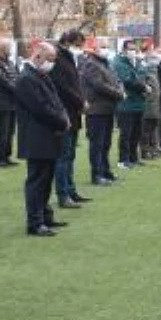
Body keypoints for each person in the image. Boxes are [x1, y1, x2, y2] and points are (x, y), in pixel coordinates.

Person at [15, 42, 70, 237]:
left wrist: (63, 117)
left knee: (46, 179)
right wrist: (61, 121)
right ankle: (35, 222)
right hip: (36, 137)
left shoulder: (40, 75)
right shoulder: (25, 79)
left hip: (49, 135)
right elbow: (40, 108)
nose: (51, 64)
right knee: (37, 180)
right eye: (50, 60)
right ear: (38, 56)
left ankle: (45, 216)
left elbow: (55, 101)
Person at [49, 30, 89, 209]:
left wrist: (81, 101)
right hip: (64, 112)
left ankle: (71, 190)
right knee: (63, 156)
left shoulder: (69, 58)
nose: (80, 48)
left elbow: (75, 83)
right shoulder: (58, 58)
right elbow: (63, 87)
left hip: (73, 111)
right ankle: (63, 194)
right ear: (69, 42)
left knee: (70, 154)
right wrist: (81, 101)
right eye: (78, 44)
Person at [80, 40, 121, 186]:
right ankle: (96, 175)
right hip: (96, 110)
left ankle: (105, 171)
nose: (105, 49)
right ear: (93, 50)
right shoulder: (91, 64)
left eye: (106, 47)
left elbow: (113, 81)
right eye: (102, 47)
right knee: (97, 144)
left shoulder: (104, 63)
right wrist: (118, 93)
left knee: (105, 144)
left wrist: (118, 89)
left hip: (106, 109)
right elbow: (99, 85)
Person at [114, 40, 148, 167]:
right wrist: (144, 87)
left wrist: (144, 85)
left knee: (136, 133)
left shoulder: (137, 62)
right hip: (126, 104)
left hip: (139, 103)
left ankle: (133, 158)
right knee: (126, 134)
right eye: (130, 49)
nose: (133, 51)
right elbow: (128, 80)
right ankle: (123, 159)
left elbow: (143, 75)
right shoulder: (119, 63)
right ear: (124, 50)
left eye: (134, 49)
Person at [0, 37, 19, 168]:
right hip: (2, 103)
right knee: (3, 131)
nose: (11, 50)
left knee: (10, 132)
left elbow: (17, 77)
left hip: (13, 103)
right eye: (9, 48)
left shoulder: (10, 63)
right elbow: (4, 82)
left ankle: (6, 156)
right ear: (3, 49)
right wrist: (19, 89)